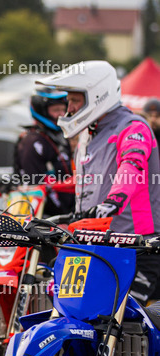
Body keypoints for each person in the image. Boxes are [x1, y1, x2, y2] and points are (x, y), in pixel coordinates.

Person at [38, 60, 160, 303]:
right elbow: (88, 181)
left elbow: (131, 166)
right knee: (76, 310)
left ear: (97, 95)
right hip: (93, 242)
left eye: (75, 100)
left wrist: (114, 201)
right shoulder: (89, 134)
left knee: (122, 318)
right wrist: (43, 186)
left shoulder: (133, 127)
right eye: (68, 101)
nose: (68, 108)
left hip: (135, 245)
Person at [13, 87, 73, 216]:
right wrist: (61, 213)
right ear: (42, 111)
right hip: (43, 215)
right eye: (56, 110)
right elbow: (34, 184)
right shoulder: (32, 141)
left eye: (63, 109)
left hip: (66, 212)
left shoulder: (59, 137)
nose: (61, 114)